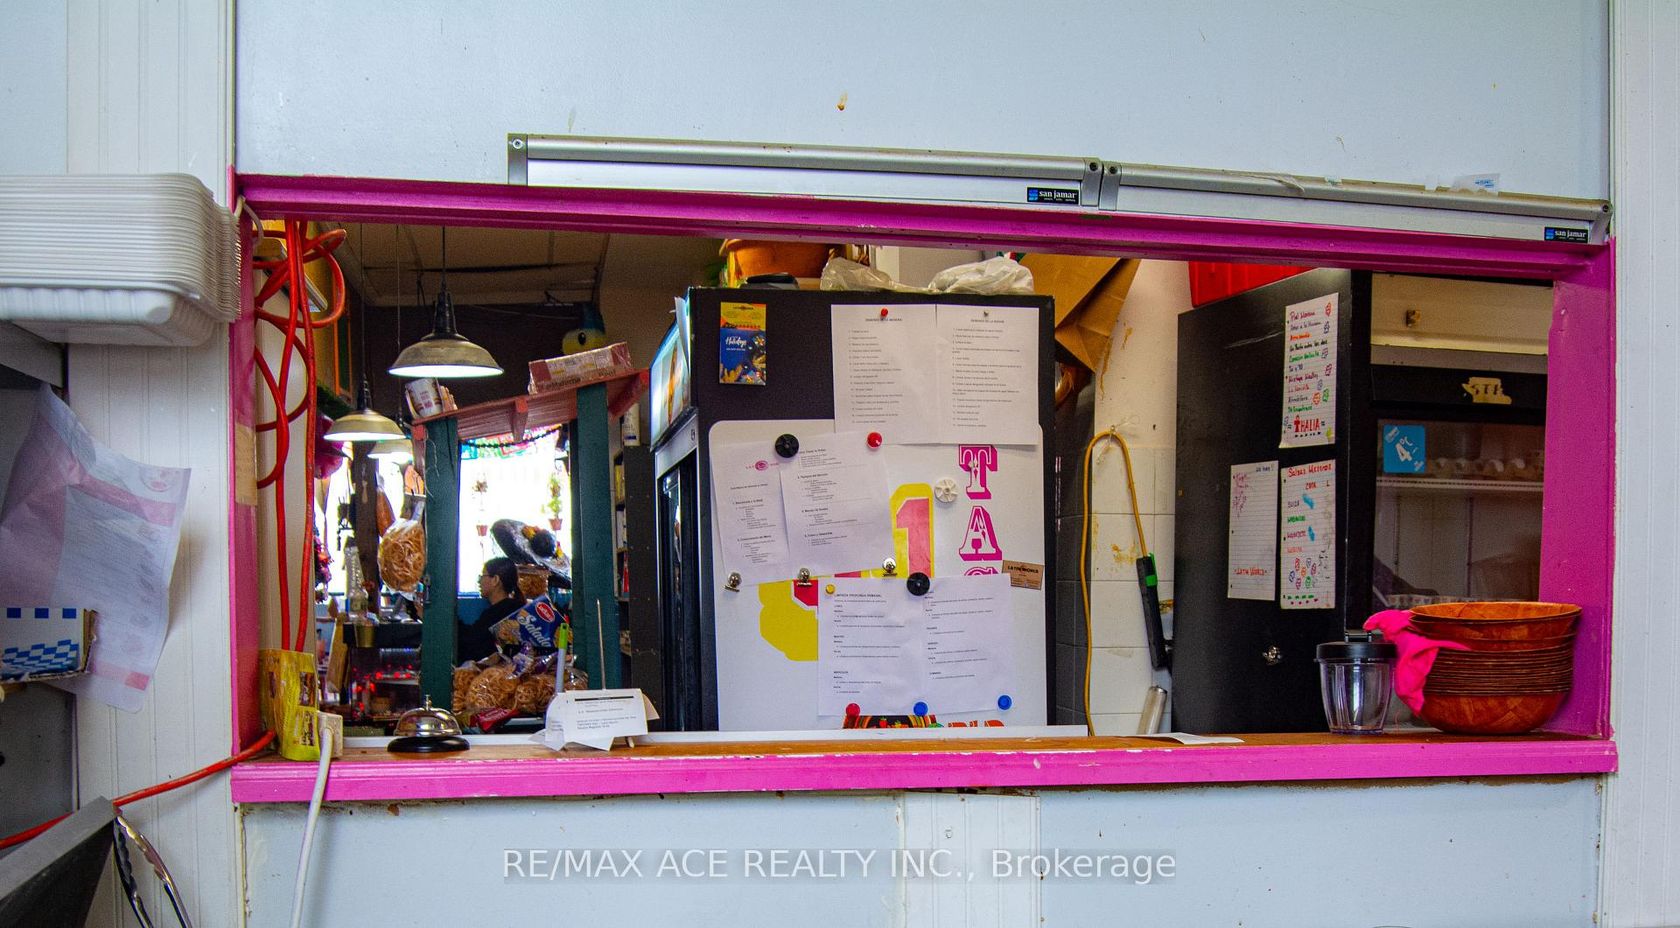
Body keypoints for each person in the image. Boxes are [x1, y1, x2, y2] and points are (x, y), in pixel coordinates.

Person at [458, 556, 525, 660]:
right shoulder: (517, 608)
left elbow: (471, 642)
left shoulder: (498, 614)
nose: (479, 581)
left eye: (482, 576)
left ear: (495, 580)